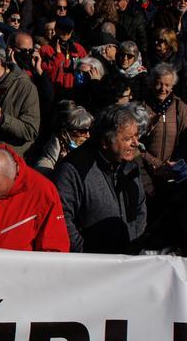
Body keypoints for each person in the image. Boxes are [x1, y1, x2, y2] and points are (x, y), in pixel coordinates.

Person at [54, 103, 148, 253]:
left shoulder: (130, 166)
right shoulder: (74, 169)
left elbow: (140, 208)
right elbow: (62, 218)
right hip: (93, 266)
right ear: (105, 142)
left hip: (129, 261)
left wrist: (134, 246)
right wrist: (85, 253)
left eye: (136, 136)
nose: (136, 143)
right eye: (128, 138)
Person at [32, 101, 93, 176]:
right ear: (65, 133)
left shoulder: (90, 154)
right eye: (83, 131)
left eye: (89, 130)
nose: (88, 135)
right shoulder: (44, 165)